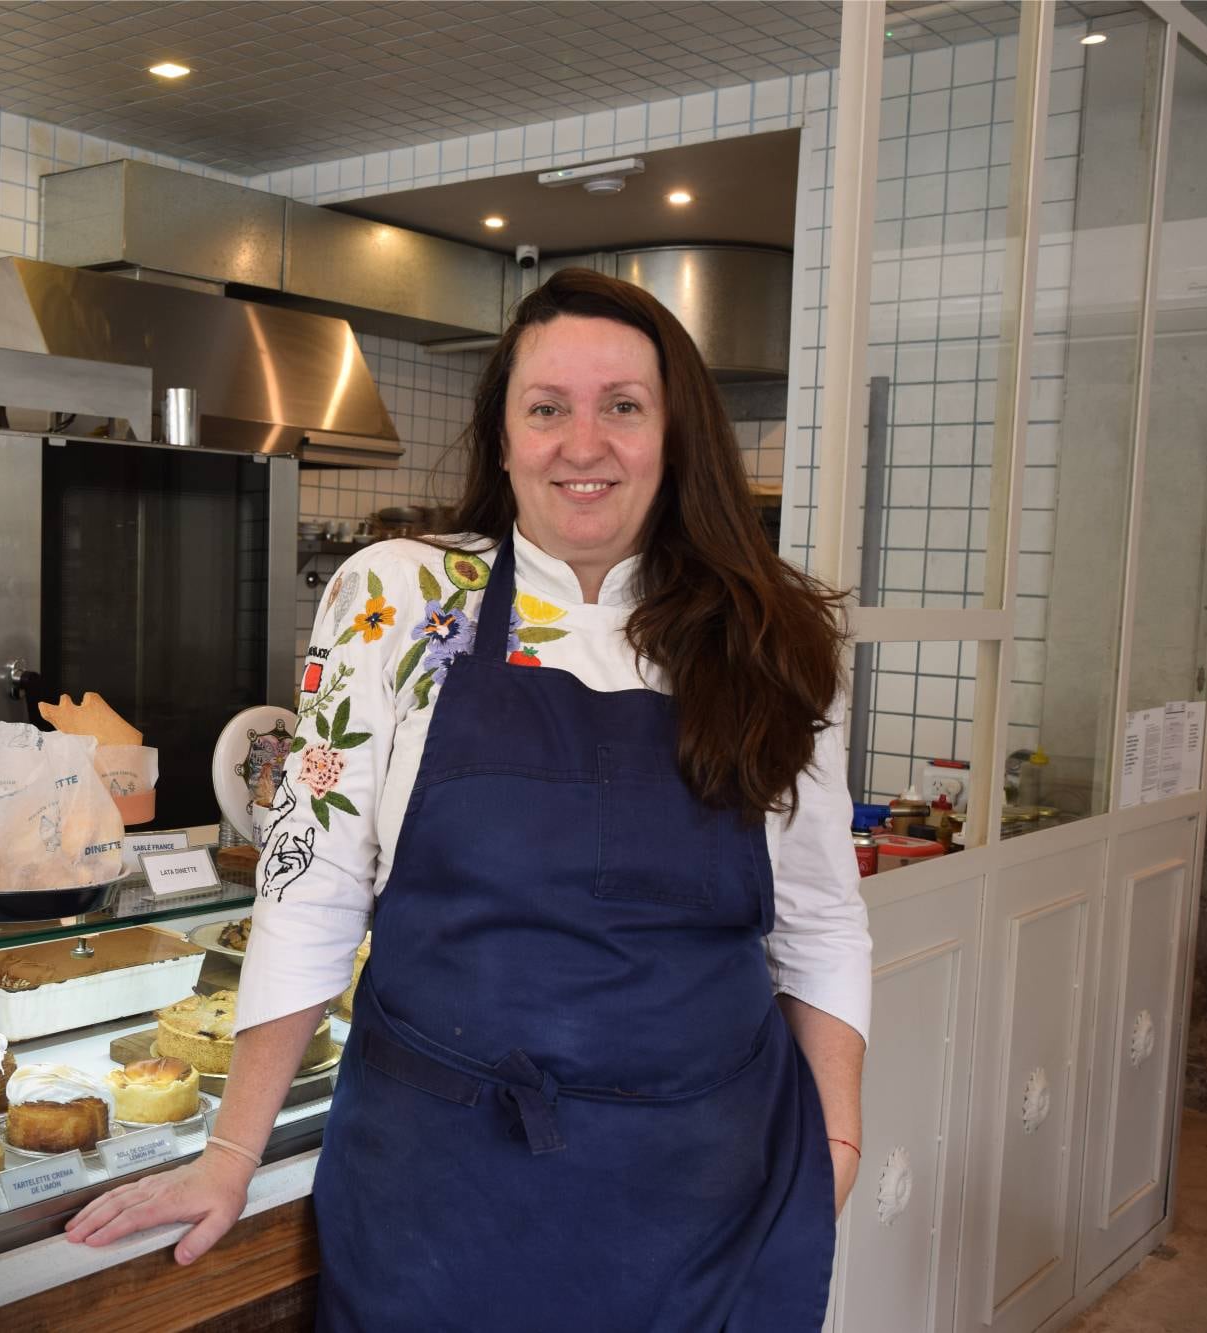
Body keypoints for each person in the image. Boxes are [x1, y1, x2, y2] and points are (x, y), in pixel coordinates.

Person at [68, 268, 871, 1330]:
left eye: (621, 407)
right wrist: (230, 1151)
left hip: (705, 1193)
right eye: (545, 409)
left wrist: (832, 1148)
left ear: (674, 436)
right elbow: (308, 887)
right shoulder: (397, 599)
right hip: (437, 1189)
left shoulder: (768, 638)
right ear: (501, 439)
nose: (581, 445)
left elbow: (818, 921)